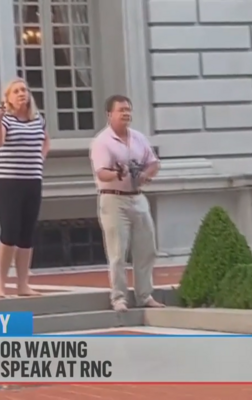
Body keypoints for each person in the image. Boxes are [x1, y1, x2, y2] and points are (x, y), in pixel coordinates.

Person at [90, 95, 165, 311]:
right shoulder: (102, 141)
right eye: (121, 110)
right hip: (114, 198)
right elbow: (101, 173)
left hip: (138, 197)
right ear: (109, 114)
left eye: (128, 110)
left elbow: (153, 163)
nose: (126, 114)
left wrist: (146, 175)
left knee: (147, 249)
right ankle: (119, 298)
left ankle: (144, 295)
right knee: (118, 252)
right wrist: (117, 173)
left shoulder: (138, 138)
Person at [0, 78, 50, 298]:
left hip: (32, 181)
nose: (21, 93)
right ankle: (0, 284)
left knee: (27, 234)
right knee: (9, 232)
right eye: (15, 91)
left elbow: (46, 141)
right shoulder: (5, 119)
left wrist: (40, 158)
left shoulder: (38, 119)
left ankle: (23, 284)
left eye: (24, 89)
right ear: (8, 98)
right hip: (7, 182)